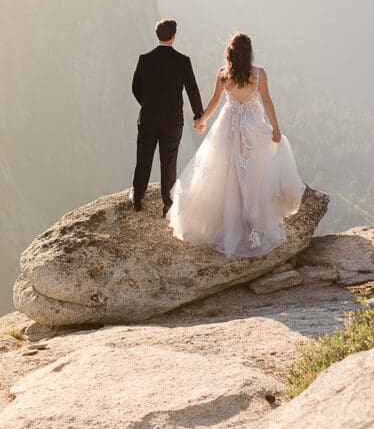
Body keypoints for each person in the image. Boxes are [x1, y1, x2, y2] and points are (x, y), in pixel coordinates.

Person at [166, 32, 305, 257]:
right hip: (252, 126)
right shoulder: (258, 74)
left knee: (225, 171)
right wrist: (276, 128)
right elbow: (267, 101)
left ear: (230, 52)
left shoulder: (224, 74)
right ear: (249, 52)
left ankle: (227, 218)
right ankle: (251, 216)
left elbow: (214, 100)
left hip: (228, 125)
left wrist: (202, 120)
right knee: (253, 171)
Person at [131, 18, 203, 217]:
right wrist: (198, 115)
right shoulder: (182, 61)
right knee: (168, 161)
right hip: (172, 120)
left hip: (148, 118)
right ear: (174, 36)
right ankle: (168, 203)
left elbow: (135, 87)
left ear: (157, 35)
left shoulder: (144, 59)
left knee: (144, 157)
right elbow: (192, 90)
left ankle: (137, 198)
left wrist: (147, 104)